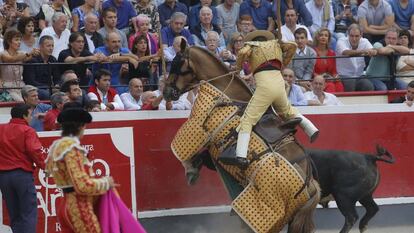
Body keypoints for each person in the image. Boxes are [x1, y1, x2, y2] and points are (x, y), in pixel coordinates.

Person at [223, 30, 319, 168]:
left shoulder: (252, 46)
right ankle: (311, 129)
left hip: (265, 87)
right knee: (288, 111)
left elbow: (243, 53)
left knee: (248, 119)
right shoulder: (275, 44)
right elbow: (292, 46)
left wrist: (237, 69)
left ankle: (241, 156)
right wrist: (283, 62)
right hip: (279, 84)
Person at [45, 103, 116, 233]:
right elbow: (81, 185)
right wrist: (105, 182)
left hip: (65, 205)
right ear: (81, 126)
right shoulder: (71, 148)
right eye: (85, 126)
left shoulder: (58, 147)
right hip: (78, 206)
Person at [0, 104, 46, 233]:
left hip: (3, 176)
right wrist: (44, 166)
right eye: (30, 115)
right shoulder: (27, 130)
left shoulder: (1, 129)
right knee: (28, 213)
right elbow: (34, 150)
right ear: (25, 116)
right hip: (21, 174)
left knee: (14, 214)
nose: (31, 117)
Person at [1, 30, 39, 102]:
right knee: (22, 101)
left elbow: (28, 57)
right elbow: (11, 59)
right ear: (9, 41)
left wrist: (34, 52)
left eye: (20, 40)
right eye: (16, 40)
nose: (19, 42)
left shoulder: (22, 53)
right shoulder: (3, 54)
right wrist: (29, 53)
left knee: (35, 96)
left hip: (22, 86)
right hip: (7, 88)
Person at [335, 24, 376, 91]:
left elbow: (372, 50)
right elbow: (346, 52)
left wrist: (373, 52)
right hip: (344, 76)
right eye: (351, 36)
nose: (354, 39)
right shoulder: (341, 41)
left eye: (356, 36)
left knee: (369, 86)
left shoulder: (364, 41)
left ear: (361, 35)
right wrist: (364, 51)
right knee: (351, 83)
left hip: (359, 75)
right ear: (348, 34)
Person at [23, 35, 60, 100]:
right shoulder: (32, 60)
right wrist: (49, 88)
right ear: (41, 47)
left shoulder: (53, 60)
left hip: (49, 89)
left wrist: (57, 85)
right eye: (48, 46)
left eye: (52, 46)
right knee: (47, 94)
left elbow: (57, 78)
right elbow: (30, 81)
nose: (51, 48)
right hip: (34, 88)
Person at [313, 28, 344, 92]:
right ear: (317, 38)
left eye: (326, 36)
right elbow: (311, 71)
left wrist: (336, 76)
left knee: (339, 84)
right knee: (331, 85)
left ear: (328, 39)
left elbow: (334, 71)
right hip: (316, 79)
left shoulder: (332, 53)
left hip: (329, 78)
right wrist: (321, 77)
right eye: (321, 35)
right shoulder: (312, 52)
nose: (323, 37)